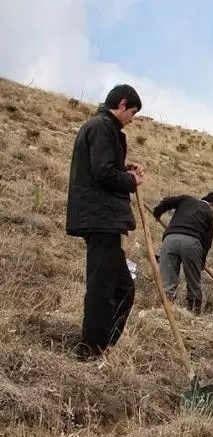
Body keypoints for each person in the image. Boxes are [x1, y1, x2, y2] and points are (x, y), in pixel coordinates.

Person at [65, 84, 144, 360]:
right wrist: (131, 180)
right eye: (132, 112)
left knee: (123, 288)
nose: (132, 119)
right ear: (122, 104)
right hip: (100, 218)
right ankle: (90, 350)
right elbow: (103, 174)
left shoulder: (105, 129)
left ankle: (102, 346)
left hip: (104, 218)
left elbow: (104, 168)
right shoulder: (100, 127)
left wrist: (125, 168)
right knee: (102, 288)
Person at [153, 191, 213, 314]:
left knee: (167, 281)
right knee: (193, 281)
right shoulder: (209, 215)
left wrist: (157, 212)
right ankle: (194, 311)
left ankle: (164, 310)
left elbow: (167, 202)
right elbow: (207, 243)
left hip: (170, 239)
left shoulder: (186, 199)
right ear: (211, 204)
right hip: (191, 244)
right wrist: (201, 262)